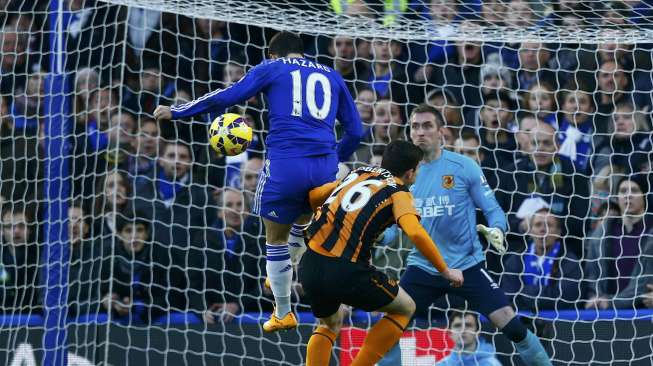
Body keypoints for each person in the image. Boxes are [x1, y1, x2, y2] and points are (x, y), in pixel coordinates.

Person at [153, 31, 364, 332]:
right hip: (323, 168)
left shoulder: (272, 67)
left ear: (272, 54)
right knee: (301, 219)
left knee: (274, 239)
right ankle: (285, 268)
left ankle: (282, 311)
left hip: (285, 165)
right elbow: (356, 132)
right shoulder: (332, 74)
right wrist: (331, 159)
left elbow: (228, 95)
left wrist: (177, 111)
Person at [379, 104, 552, 366]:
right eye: (415, 127)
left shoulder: (464, 167)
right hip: (423, 267)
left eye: (427, 126)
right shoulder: (402, 176)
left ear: (442, 133)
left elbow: (494, 211)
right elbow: (392, 232)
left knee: (512, 325)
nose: (420, 132)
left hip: (467, 265)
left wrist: (497, 230)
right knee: (389, 330)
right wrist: (377, 236)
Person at [299, 140, 463, 366]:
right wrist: (445, 270)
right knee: (406, 308)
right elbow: (414, 232)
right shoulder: (398, 192)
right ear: (410, 172)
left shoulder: (358, 173)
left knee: (329, 325)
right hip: (346, 270)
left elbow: (314, 197)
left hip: (310, 265)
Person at [437, 311, 502, 366]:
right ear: (449, 333)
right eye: (457, 325)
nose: (463, 330)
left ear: (477, 333)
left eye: (468, 325)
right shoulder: (442, 364)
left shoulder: (492, 364)